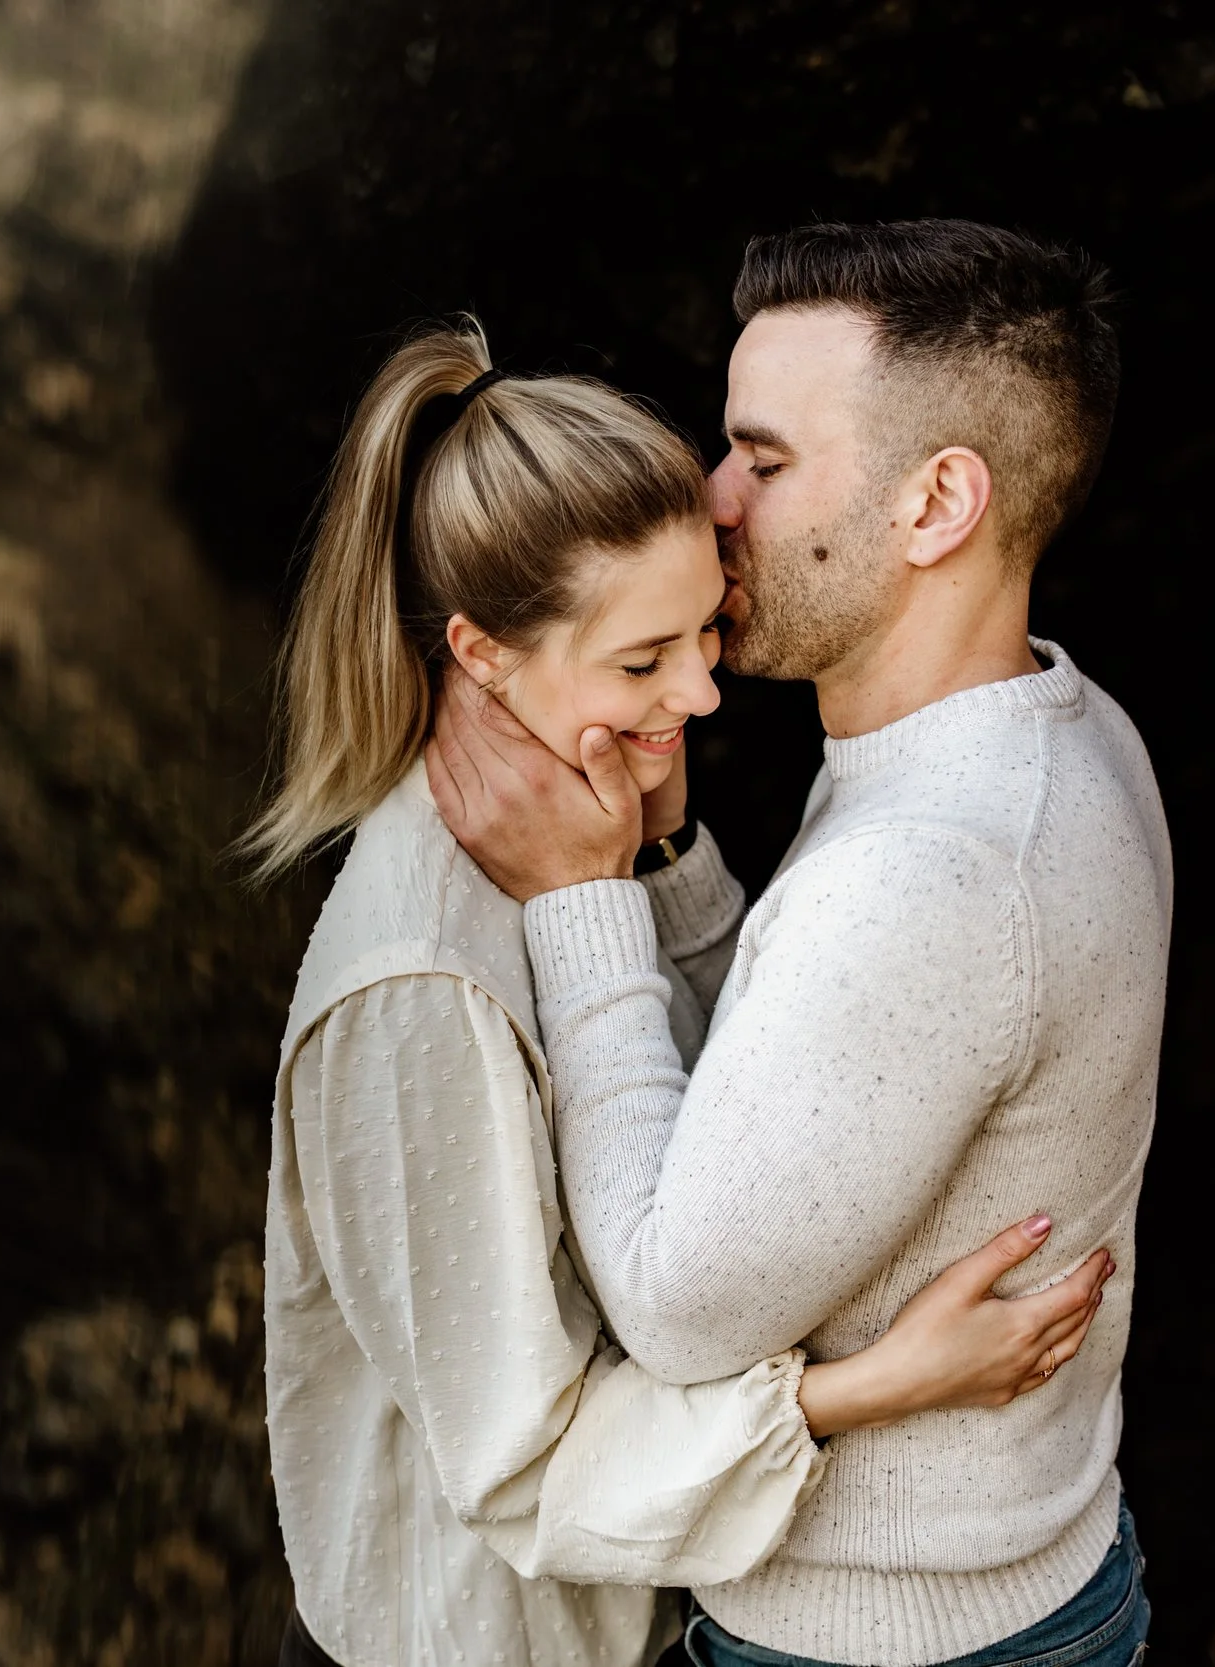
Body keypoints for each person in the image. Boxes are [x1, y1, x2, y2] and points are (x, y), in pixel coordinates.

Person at [247, 314, 1115, 1667]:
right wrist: (860, 1391)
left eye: (705, 631)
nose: (707, 692)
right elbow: (521, 1464)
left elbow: (707, 1122)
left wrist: (659, 860)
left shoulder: (586, 820)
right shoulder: (420, 985)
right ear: (479, 654)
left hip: (635, 1617)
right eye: (646, 661)